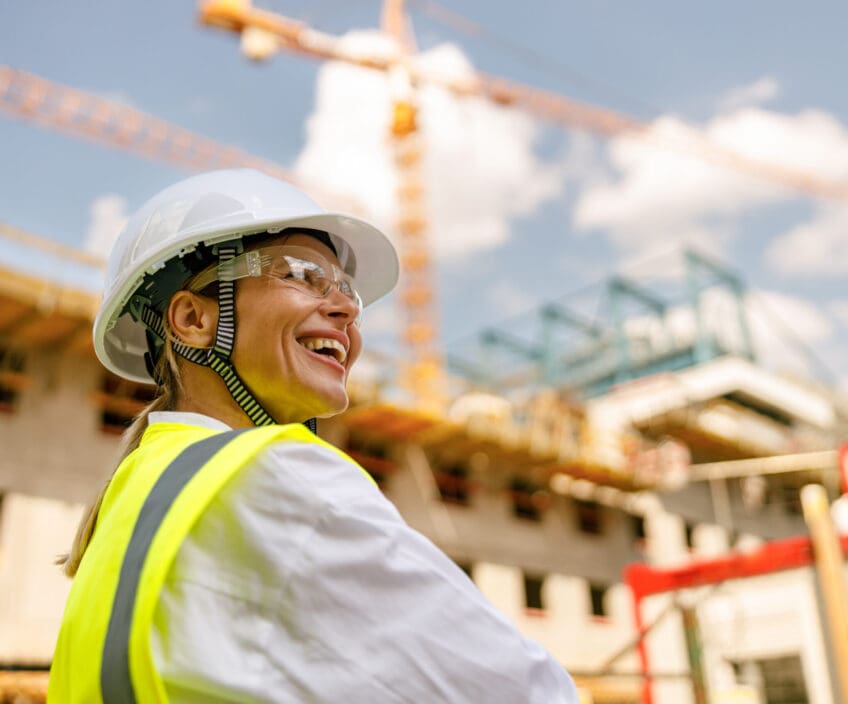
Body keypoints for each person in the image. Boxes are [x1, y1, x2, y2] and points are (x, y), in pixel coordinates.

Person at [49, 169, 578, 703]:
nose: (348, 309)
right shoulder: (275, 475)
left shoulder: (131, 501)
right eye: (302, 274)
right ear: (192, 318)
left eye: (346, 290)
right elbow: (526, 692)